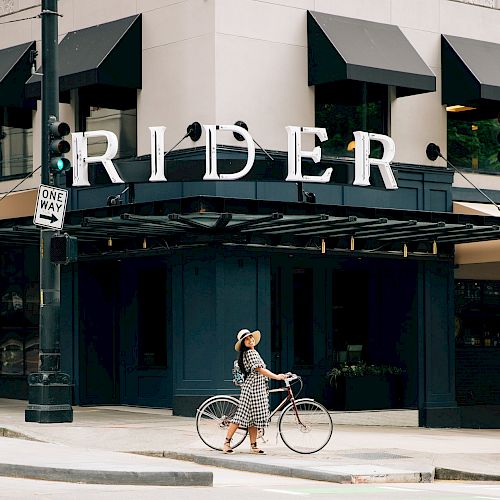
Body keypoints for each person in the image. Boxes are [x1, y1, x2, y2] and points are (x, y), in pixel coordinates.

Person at [223, 328, 287, 455]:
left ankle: (253, 445)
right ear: (243, 343)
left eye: (251, 337)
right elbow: (259, 369)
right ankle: (226, 443)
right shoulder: (251, 353)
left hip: (255, 387)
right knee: (240, 417)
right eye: (246, 339)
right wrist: (276, 376)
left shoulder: (251, 352)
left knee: (253, 419)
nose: (250, 340)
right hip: (252, 389)